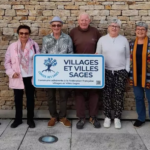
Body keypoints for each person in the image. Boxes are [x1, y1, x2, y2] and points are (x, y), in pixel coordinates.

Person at [96, 19, 130, 129]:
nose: (114, 28)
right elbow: (98, 55)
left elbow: (127, 56)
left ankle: (117, 117)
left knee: (118, 95)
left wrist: (127, 70)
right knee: (106, 95)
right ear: (108, 28)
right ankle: (107, 117)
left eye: (116, 26)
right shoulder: (102, 40)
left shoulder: (123, 40)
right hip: (106, 71)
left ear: (119, 28)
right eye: (112, 26)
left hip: (120, 71)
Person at [4, 25, 40, 128]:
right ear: (18, 34)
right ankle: (18, 119)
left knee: (30, 99)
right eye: (21, 33)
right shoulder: (12, 47)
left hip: (30, 75)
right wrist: (11, 73)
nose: (24, 35)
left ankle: (30, 119)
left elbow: (39, 60)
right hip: (17, 76)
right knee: (18, 99)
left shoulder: (34, 45)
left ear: (29, 34)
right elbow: (7, 62)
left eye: (26, 33)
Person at [70, 12, 101, 129]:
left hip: (93, 69)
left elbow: (100, 47)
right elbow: (70, 49)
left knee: (94, 92)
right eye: (82, 20)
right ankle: (81, 118)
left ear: (89, 21)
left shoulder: (95, 32)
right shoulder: (73, 32)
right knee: (79, 93)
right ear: (78, 21)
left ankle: (93, 117)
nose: (84, 22)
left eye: (86, 20)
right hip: (78, 68)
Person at [41, 16, 73, 127]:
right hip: (50, 73)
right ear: (51, 26)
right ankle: (53, 116)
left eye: (58, 25)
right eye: (54, 25)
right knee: (50, 95)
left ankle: (63, 117)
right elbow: (43, 56)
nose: (56, 27)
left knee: (63, 95)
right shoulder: (46, 39)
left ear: (61, 26)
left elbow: (71, 54)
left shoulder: (67, 38)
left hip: (63, 72)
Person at [129, 22, 150, 127]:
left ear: (146, 31)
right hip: (136, 76)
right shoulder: (132, 44)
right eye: (138, 29)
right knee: (139, 97)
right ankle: (141, 118)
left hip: (148, 76)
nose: (140, 31)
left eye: (143, 29)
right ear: (135, 31)